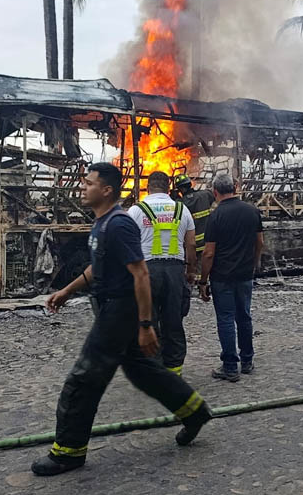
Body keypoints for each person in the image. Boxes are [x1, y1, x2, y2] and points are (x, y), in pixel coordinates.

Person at [31, 163, 211, 476]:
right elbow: (96, 268)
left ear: (107, 190)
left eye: (89, 183)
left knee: (83, 379)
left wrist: (144, 325)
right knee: (145, 372)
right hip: (110, 306)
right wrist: (67, 291)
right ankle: (194, 412)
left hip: (118, 311)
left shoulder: (120, 224)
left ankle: (68, 452)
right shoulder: (103, 224)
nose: (83, 188)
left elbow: (140, 272)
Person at [127, 171, 197, 376]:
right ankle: (174, 372)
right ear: (169, 188)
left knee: (148, 322)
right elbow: (191, 243)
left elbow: (127, 244)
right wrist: (191, 271)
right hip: (175, 271)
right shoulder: (182, 209)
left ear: (148, 187)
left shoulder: (136, 211)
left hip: (146, 272)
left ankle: (155, 372)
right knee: (173, 321)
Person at [198, 173, 264, 382]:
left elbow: (208, 253)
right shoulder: (252, 211)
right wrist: (252, 265)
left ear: (215, 192)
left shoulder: (215, 217)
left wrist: (203, 280)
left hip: (222, 277)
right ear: (235, 187)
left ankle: (230, 367)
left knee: (226, 319)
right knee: (244, 316)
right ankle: (247, 361)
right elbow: (259, 243)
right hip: (244, 274)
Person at [174, 173, 216, 261]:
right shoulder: (205, 195)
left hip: (191, 247)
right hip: (207, 243)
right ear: (190, 184)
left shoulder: (179, 204)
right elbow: (213, 196)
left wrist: (174, 198)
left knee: (191, 271)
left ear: (180, 189)